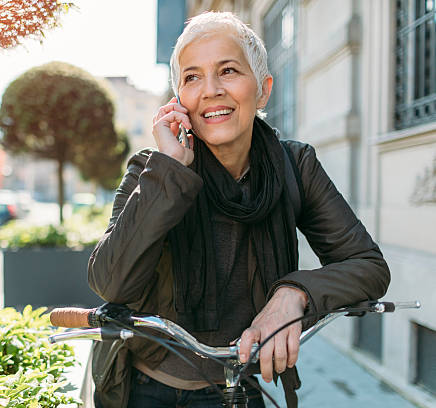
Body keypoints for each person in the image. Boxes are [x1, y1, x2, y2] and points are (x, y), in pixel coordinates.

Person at [87, 11, 390, 408]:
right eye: (192, 77)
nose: (210, 90)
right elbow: (110, 283)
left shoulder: (295, 166)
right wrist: (172, 171)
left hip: (239, 384)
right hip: (146, 389)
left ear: (263, 90)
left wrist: (295, 292)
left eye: (228, 70)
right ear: (178, 100)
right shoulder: (153, 170)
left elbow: (368, 265)